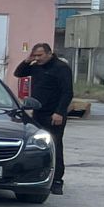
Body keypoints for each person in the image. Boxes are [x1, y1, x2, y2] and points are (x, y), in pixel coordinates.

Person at [18, 40, 74, 194]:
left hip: (54, 114)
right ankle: (36, 176)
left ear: (49, 53)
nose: (38, 58)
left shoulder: (61, 68)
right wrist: (27, 60)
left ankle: (57, 181)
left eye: (40, 55)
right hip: (38, 113)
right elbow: (19, 73)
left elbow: (67, 92)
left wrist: (60, 112)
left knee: (55, 146)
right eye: (35, 55)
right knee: (37, 146)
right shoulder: (36, 67)